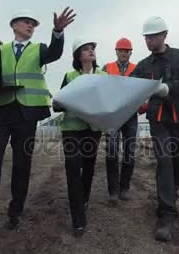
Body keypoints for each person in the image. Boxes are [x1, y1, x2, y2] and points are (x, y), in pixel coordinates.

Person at [0, 8, 76, 253]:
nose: (30, 25)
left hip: (28, 114)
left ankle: (15, 210)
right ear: (14, 26)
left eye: (33, 23)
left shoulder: (39, 49)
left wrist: (58, 31)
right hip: (0, 112)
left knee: (22, 165)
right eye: (26, 22)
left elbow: (55, 52)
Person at [130, 16, 179, 242]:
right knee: (165, 160)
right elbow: (129, 85)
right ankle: (166, 214)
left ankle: (171, 194)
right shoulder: (144, 65)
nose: (148, 41)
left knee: (178, 162)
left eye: (153, 36)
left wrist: (168, 88)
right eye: (146, 37)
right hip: (158, 120)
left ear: (164, 35)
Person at [53, 38, 106, 238]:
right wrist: (62, 102)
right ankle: (78, 219)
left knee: (89, 166)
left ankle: (83, 199)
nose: (91, 51)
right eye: (86, 49)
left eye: (92, 48)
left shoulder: (103, 75)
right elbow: (57, 103)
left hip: (93, 129)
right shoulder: (69, 76)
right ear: (78, 55)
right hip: (72, 129)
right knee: (73, 169)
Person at [101, 37, 139, 204]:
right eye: (121, 50)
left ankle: (124, 188)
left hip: (131, 115)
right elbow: (100, 88)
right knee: (111, 152)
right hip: (113, 115)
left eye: (127, 51)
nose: (124, 53)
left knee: (129, 152)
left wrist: (143, 105)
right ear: (116, 51)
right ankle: (113, 191)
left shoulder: (137, 68)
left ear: (130, 52)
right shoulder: (106, 68)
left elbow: (142, 90)